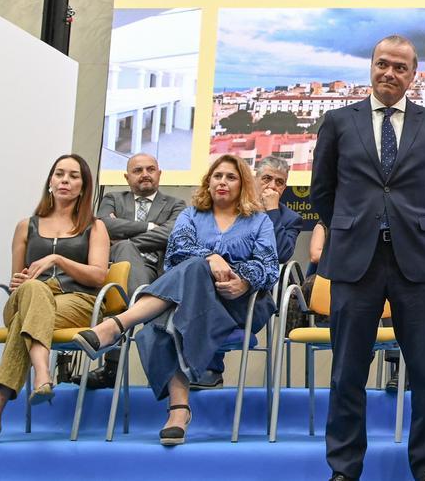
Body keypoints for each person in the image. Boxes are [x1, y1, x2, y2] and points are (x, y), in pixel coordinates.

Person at [310, 35, 425, 481]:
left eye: (400, 67)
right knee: (347, 372)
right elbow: (322, 192)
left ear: (413, 75)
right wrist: (354, 226)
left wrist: (414, 225)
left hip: (418, 263)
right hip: (356, 262)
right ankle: (344, 468)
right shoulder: (338, 121)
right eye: (382, 64)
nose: (389, 73)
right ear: (371, 67)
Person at [72, 154, 279, 446]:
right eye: (217, 176)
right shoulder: (192, 215)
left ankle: (118, 326)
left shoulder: (259, 222)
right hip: (194, 300)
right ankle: (178, 413)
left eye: (231, 177)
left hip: (238, 303)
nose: (223, 182)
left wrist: (242, 279)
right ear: (208, 182)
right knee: (174, 303)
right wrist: (211, 257)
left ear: (243, 184)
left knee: (176, 296)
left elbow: (269, 267)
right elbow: (176, 255)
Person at [0, 154, 110, 446]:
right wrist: (19, 281)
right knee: (33, 290)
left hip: (77, 301)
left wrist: (58, 259)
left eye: (73, 176)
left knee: (28, 313)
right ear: (50, 182)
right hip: (28, 300)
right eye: (59, 174)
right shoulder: (26, 226)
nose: (65, 181)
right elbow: (16, 279)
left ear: (83, 187)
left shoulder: (95, 227)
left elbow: (98, 276)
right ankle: (43, 372)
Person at [191, 154, 302, 390]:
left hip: (256, 293)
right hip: (216, 284)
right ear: (253, 179)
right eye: (267, 179)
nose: (272, 186)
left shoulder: (290, 219)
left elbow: (281, 254)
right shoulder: (230, 208)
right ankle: (205, 368)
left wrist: (272, 212)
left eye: (279, 182)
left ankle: (207, 368)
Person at [77, 153, 186, 389]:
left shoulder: (176, 205)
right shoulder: (113, 198)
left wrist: (122, 239)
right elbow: (102, 225)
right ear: (127, 177)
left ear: (159, 174)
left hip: (157, 272)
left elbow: (171, 233)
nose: (145, 174)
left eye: (150, 169)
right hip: (115, 274)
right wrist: (148, 227)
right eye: (137, 170)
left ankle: (113, 365)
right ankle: (141, 311)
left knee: (125, 246)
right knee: (123, 256)